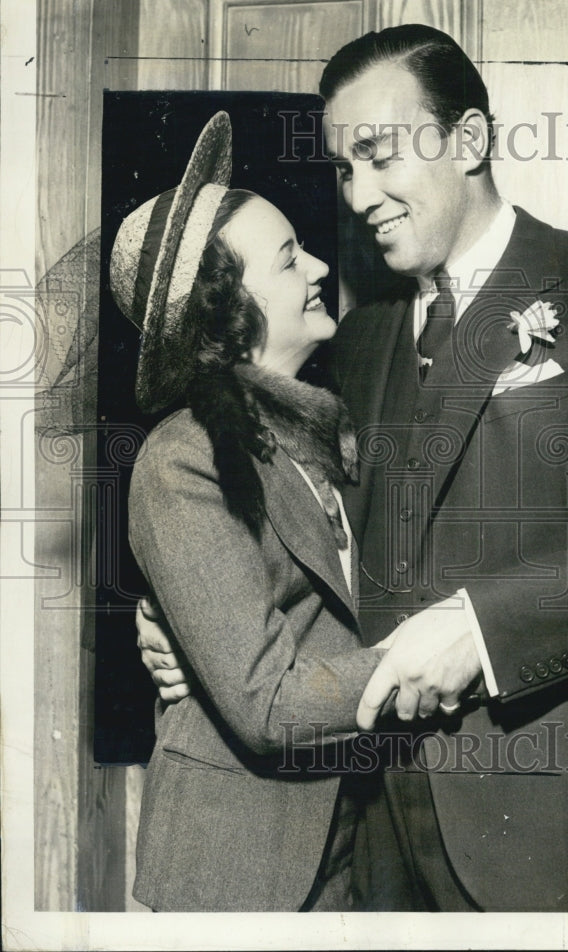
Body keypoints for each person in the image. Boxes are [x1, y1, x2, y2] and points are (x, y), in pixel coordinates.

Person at [137, 26, 568, 912]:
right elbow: (300, 534)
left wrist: (481, 632)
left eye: (377, 155)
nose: (359, 193)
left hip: (559, 835)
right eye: (342, 167)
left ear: (472, 140)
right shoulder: (358, 336)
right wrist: (185, 622)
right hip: (377, 835)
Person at [111, 110, 404, 912]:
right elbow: (266, 704)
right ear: (227, 313)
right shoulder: (184, 457)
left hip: (351, 848)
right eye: (286, 259)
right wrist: (434, 659)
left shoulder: (320, 421)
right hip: (235, 872)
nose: (316, 264)